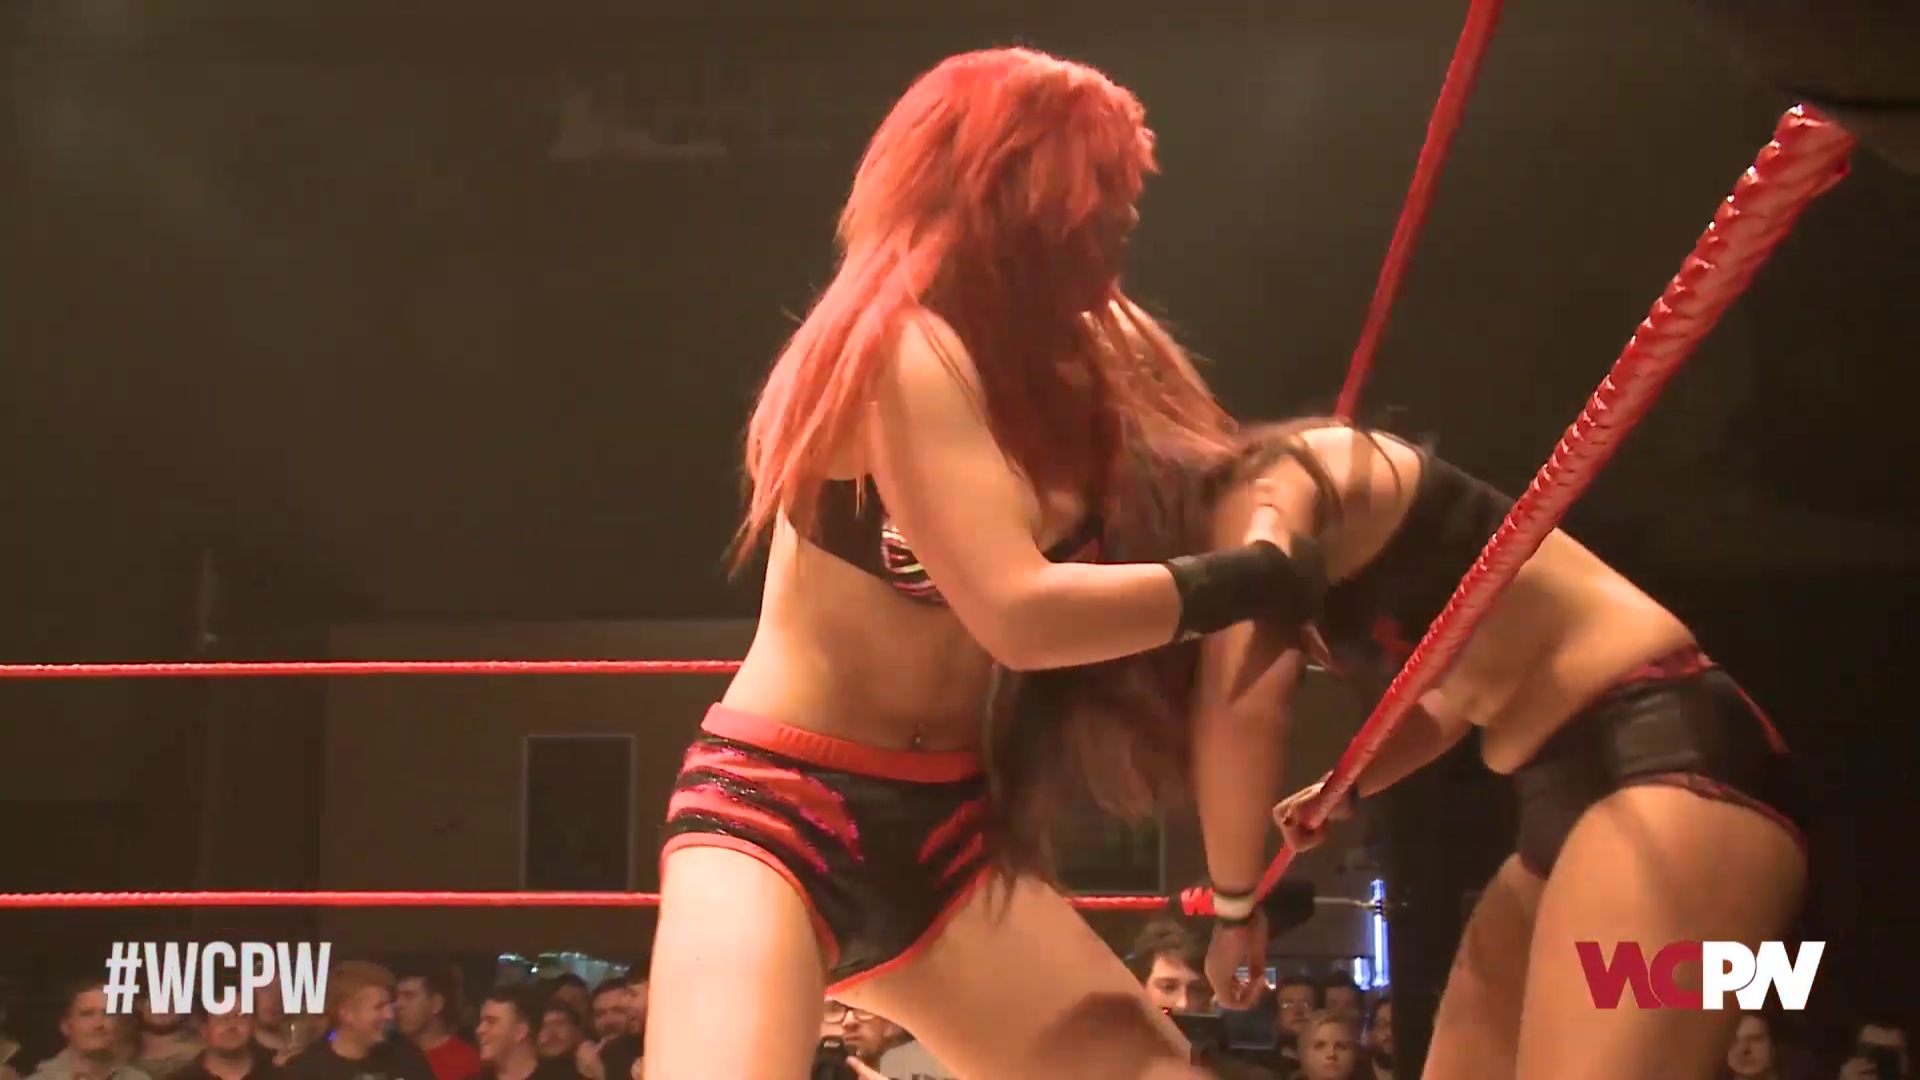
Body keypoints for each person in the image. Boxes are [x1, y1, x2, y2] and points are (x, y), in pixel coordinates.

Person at [644, 44, 1330, 1080]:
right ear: (1023, 211)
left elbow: (1229, 486)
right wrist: (1253, 580)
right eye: (1099, 214)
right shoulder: (898, 349)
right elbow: (1021, 614)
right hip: (780, 817)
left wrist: (1338, 543)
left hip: (950, 837)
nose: (1120, 239)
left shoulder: (1101, 348)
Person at [1015, 419, 1807, 1080]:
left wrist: (1235, 911)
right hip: (1562, 799)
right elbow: (1447, 706)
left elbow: (1243, 701)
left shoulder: (1282, 483)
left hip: (1676, 755)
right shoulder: (1297, 556)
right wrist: (1350, 782)